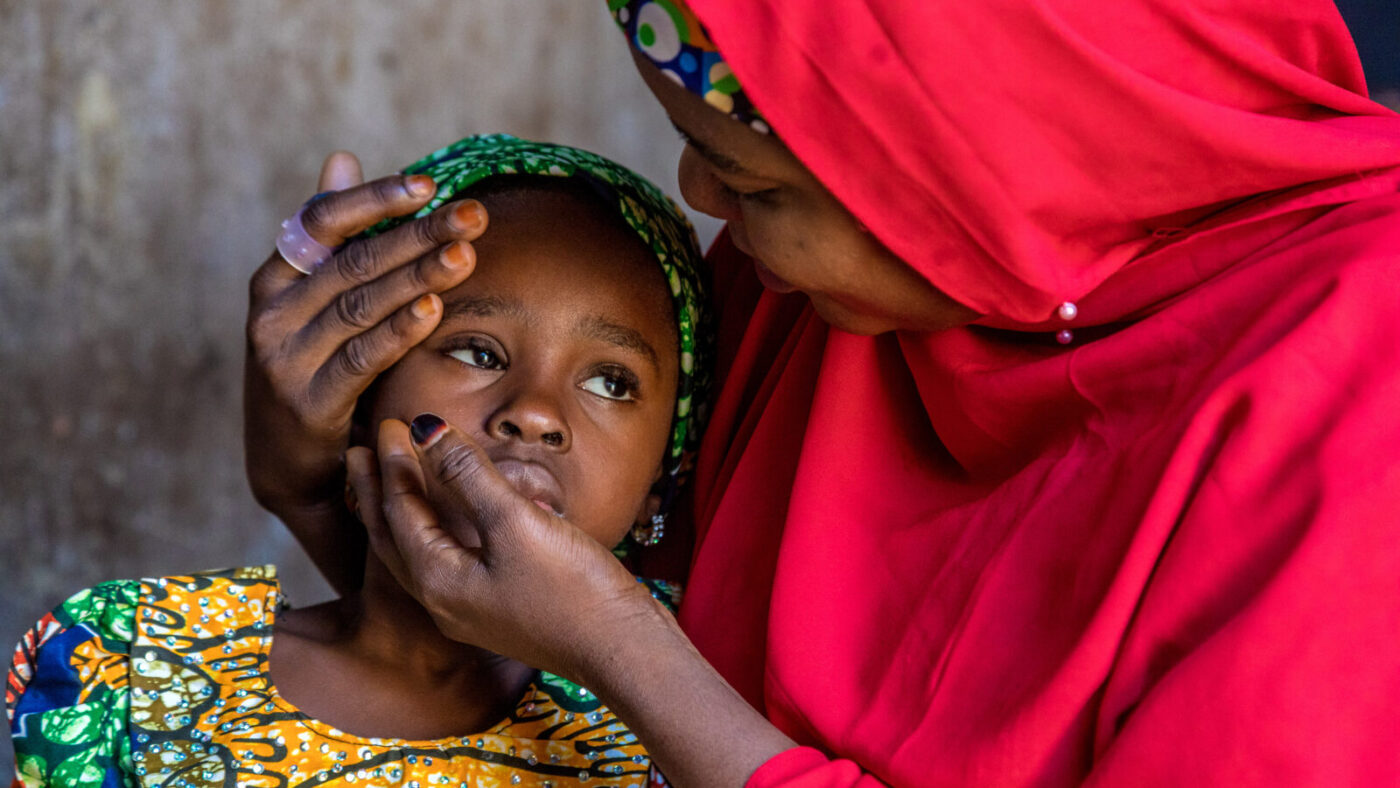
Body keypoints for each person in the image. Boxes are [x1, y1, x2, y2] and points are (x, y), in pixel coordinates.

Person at [243, 0, 1400, 785]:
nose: (699, 194)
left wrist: (629, 649)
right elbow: (520, 697)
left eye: (748, 180)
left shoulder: (1346, 403)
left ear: (969, 164)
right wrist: (310, 477)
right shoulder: (837, 283)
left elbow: (598, 655)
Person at [7, 134, 712, 787]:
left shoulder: (684, 720)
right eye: (477, 352)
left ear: (661, 483)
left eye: (610, 383)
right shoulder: (134, 666)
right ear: (362, 396)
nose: (534, 411)